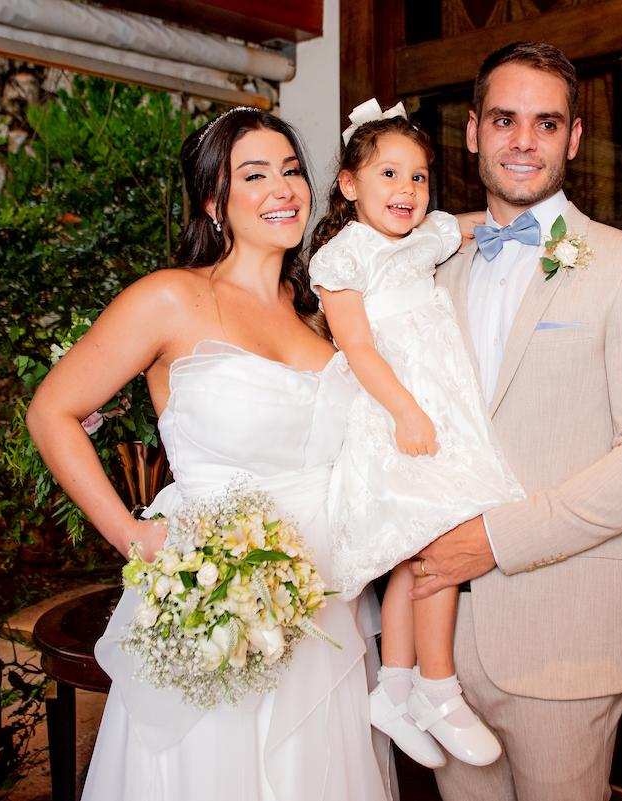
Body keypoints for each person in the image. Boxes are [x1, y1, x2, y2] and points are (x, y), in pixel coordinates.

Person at [26, 107, 391, 801]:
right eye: (254, 175)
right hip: (216, 602)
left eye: (291, 170)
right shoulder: (170, 298)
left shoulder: (320, 310)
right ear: (213, 201)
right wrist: (132, 534)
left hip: (325, 603)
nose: (283, 188)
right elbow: (52, 411)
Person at [411, 41, 622, 801]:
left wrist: (497, 540)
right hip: (433, 647)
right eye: (505, 119)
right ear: (473, 131)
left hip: (563, 643)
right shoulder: (428, 268)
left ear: (573, 139)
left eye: (546, 123)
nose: (524, 141)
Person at [306, 104, 523, 770]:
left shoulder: (421, 237)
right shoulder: (344, 256)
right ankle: (436, 685)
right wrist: (405, 411)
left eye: (420, 177)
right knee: (433, 545)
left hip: (440, 412)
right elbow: (359, 348)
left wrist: (508, 228)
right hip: (395, 416)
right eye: (390, 174)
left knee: (418, 553)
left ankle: (398, 686)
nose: (408, 190)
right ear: (349, 185)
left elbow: (456, 228)